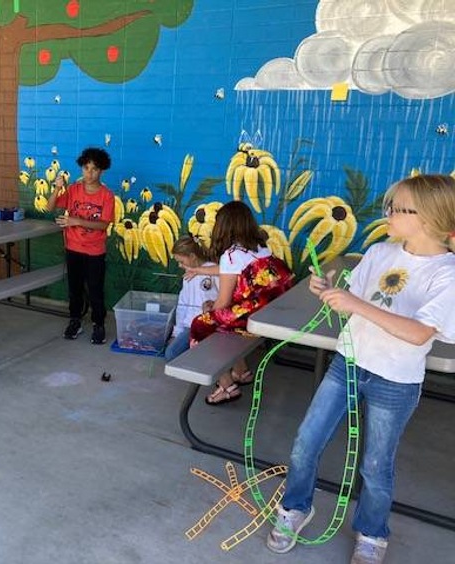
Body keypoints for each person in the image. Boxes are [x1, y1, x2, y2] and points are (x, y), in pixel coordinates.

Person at [266, 174, 455, 564]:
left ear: (429, 217)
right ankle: (295, 509)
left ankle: (371, 532)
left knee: (375, 465)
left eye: (397, 208)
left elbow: (419, 333)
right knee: (306, 442)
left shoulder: (447, 273)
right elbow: (355, 300)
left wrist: (355, 305)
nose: (387, 213)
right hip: (348, 363)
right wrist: (330, 291)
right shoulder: (379, 253)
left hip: (395, 381)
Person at [186, 201, 293, 404]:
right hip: (270, 312)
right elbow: (231, 271)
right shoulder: (259, 247)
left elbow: (223, 302)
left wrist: (209, 311)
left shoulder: (231, 255)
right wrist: (200, 270)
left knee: (201, 325)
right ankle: (241, 372)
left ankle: (226, 386)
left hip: (251, 318)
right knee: (222, 320)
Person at [47, 147, 115, 344]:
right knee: (74, 288)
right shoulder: (74, 190)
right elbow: (50, 207)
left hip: (95, 251)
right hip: (73, 248)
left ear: (102, 171)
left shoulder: (106, 196)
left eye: (94, 169)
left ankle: (98, 324)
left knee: (95, 289)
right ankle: (75, 320)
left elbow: (103, 224)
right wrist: (57, 188)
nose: (89, 173)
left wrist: (76, 221)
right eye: (86, 168)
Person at [164, 235, 219, 361]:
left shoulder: (213, 270)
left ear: (193, 257)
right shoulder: (187, 277)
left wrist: (213, 305)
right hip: (190, 327)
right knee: (170, 354)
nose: (179, 265)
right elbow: (182, 306)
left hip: (210, 326)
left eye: (182, 262)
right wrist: (176, 333)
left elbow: (225, 296)